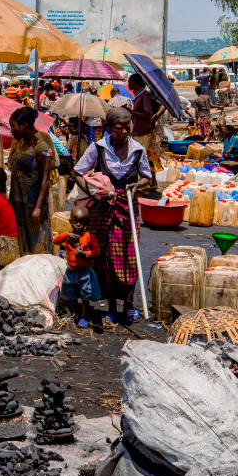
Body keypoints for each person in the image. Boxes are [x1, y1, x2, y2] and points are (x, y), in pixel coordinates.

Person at [71, 106, 152, 325]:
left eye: (128, 127)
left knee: (128, 254)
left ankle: (128, 304)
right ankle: (109, 306)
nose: (125, 132)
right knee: (104, 255)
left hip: (127, 207)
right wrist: (92, 192)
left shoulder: (137, 150)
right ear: (109, 128)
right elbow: (77, 173)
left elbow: (147, 177)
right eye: (119, 128)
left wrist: (136, 185)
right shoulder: (97, 149)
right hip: (101, 209)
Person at [8, 107, 53, 255]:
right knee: (21, 241)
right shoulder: (19, 145)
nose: (11, 130)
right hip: (18, 202)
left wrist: (38, 208)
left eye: (13, 126)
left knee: (36, 242)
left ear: (25, 125)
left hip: (33, 203)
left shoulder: (42, 148)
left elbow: (46, 180)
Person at [52, 205, 101, 329]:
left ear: (86, 222)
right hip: (71, 271)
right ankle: (74, 315)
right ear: (70, 221)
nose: (78, 224)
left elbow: (97, 251)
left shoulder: (88, 236)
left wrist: (85, 253)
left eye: (81, 222)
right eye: (75, 221)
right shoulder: (68, 236)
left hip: (84, 272)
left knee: (85, 296)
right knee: (71, 295)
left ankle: (84, 317)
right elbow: (55, 241)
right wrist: (66, 234)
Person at [127, 73, 154, 158]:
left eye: (129, 82)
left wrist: (131, 111)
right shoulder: (138, 95)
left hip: (143, 134)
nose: (128, 85)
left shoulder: (144, 95)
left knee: (140, 158)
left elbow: (147, 114)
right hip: (136, 132)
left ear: (134, 82)